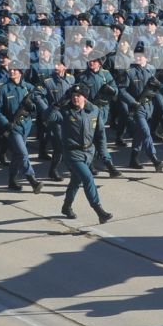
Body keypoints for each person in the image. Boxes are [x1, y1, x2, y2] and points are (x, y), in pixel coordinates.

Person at [57, 88, 113, 224]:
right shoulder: (64, 111)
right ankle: (99, 211)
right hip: (72, 153)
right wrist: (56, 105)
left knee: (76, 181)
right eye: (73, 96)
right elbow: (49, 117)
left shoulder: (94, 110)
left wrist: (105, 155)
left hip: (89, 153)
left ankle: (66, 206)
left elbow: (100, 134)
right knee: (88, 178)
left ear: (85, 97)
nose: (75, 98)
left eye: (79, 95)